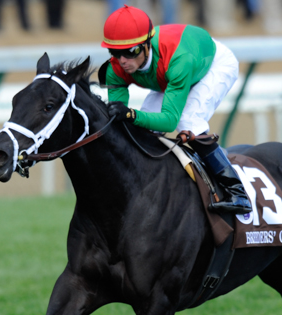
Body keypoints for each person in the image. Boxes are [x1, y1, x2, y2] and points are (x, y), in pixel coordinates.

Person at [100, 5, 252, 215]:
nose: (123, 61)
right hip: (168, 74)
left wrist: (132, 114)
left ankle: (237, 192)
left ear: (146, 45)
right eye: (115, 53)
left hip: (210, 63)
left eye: (130, 51)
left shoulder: (180, 60)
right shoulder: (114, 68)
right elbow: (122, 121)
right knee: (142, 131)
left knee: (188, 121)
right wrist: (126, 116)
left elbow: (169, 121)